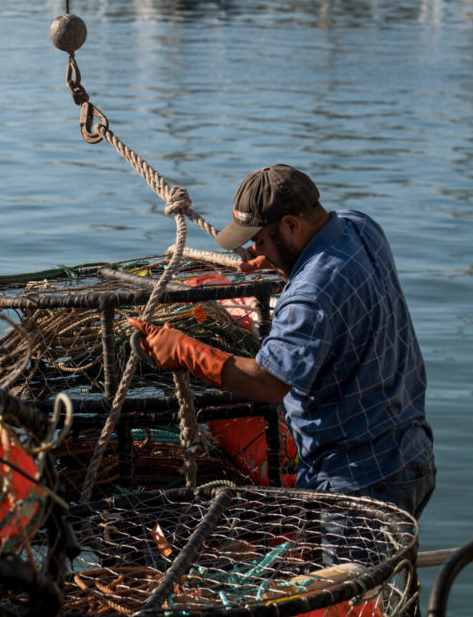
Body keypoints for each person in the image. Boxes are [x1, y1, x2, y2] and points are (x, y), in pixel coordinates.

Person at [129, 164, 435, 520]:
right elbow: (325, 267)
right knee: (387, 571)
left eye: (259, 240)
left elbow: (268, 381)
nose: (255, 249)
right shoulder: (361, 227)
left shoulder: (312, 293)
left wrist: (188, 351)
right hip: (412, 454)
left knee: (352, 576)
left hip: (357, 482)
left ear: (291, 226)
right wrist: (282, 260)